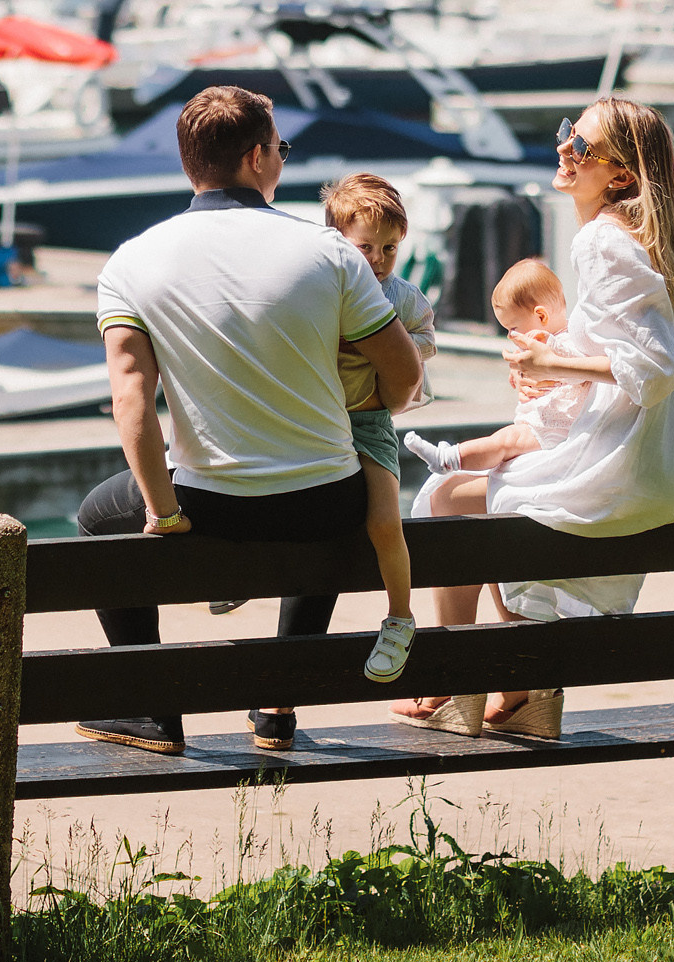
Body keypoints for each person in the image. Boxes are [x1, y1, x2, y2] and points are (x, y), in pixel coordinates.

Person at [74, 85, 423, 756]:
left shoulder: (132, 261)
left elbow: (131, 400)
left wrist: (165, 509)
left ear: (188, 163)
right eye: (280, 151)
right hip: (325, 503)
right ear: (259, 157)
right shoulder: (332, 255)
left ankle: (149, 705)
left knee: (96, 516)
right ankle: (277, 700)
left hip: (209, 503)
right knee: (334, 487)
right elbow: (404, 380)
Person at [391, 97, 674, 742]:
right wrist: (553, 360)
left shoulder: (601, 240)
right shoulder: (649, 240)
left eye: (584, 147)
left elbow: (653, 370)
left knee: (449, 496)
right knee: (496, 490)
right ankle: (521, 692)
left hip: (633, 467)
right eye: (569, 134)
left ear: (620, 176)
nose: (566, 148)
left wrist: (553, 363)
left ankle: (460, 682)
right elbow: (632, 353)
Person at [319, 172, 436, 683]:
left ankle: (400, 617)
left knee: (385, 520)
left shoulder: (402, 297)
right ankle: (244, 574)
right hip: (314, 418)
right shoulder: (319, 288)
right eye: (365, 246)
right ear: (336, 240)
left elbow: (427, 338)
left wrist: (393, 347)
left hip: (367, 422)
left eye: (389, 248)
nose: (378, 260)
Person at [404, 257, 590, 477]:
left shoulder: (567, 342)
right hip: (537, 423)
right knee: (502, 443)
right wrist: (518, 371)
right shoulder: (541, 345)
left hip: (553, 429)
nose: (510, 335)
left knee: (502, 443)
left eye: (513, 327)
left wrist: (547, 358)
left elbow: (575, 368)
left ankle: (449, 459)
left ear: (541, 315)